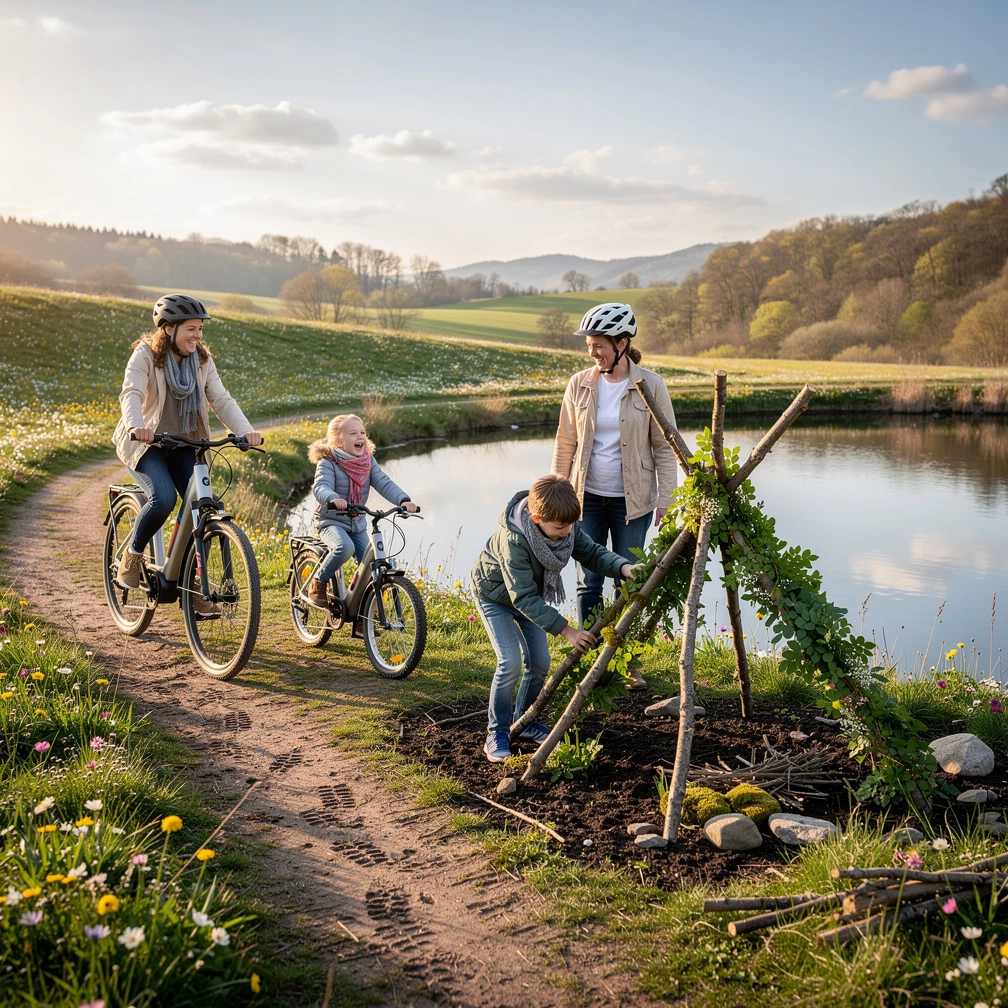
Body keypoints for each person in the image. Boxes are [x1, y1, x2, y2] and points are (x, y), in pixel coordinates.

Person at [471, 474, 642, 763]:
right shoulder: (514, 540)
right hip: (496, 597)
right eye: (560, 528)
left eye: (570, 526)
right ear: (536, 518)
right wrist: (567, 630)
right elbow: (521, 597)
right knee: (509, 662)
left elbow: (592, 553)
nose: (567, 532)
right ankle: (497, 731)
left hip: (529, 599)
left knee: (540, 663)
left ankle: (524, 722)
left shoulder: (564, 526)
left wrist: (624, 567)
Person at [552, 302, 678, 689]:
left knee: (631, 582)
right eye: (590, 345)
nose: (593, 352)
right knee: (589, 580)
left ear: (623, 343)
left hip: (633, 501)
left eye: (599, 345)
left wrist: (666, 500)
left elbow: (664, 446)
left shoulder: (651, 385)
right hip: (584, 496)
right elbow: (566, 441)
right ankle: (591, 657)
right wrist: (555, 491)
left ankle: (626, 661)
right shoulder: (580, 384)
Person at [113, 294, 263, 611]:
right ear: (169, 329)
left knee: (202, 508)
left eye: (199, 330)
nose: (197, 335)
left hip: (185, 442)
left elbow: (221, 399)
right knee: (164, 498)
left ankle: (191, 582)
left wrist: (245, 430)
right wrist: (136, 426)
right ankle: (133, 555)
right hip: (148, 443)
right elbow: (132, 392)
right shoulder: (146, 355)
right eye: (191, 329)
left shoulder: (203, 362)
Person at [304, 414, 419, 607]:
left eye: (363, 433)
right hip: (330, 521)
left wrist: (403, 500)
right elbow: (320, 487)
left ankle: (363, 615)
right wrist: (333, 498)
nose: (360, 437)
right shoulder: (328, 461)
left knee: (374, 566)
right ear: (338, 440)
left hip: (356, 523)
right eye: (353, 433)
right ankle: (319, 581)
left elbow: (383, 482)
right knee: (344, 548)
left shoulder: (367, 461)